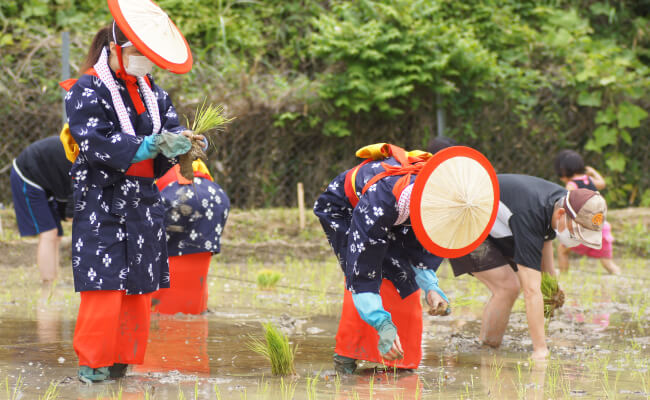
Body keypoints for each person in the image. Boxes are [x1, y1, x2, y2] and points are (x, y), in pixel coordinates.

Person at [63, 0, 202, 383]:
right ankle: (92, 364)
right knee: (104, 287)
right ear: (113, 47)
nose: (142, 60)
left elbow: (168, 135)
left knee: (138, 287)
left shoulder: (155, 93)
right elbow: (96, 144)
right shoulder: (86, 89)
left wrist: (181, 146)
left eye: (148, 55)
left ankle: (122, 361)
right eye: (135, 52)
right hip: (101, 202)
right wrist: (151, 145)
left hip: (142, 202)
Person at [313, 143, 454, 374]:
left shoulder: (436, 197)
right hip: (347, 210)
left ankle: (401, 361)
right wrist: (383, 323)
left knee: (404, 278)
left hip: (397, 211)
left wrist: (431, 287)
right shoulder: (382, 200)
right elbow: (363, 272)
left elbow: (420, 248)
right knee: (366, 272)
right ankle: (348, 355)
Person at [448, 175, 607, 360]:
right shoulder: (532, 214)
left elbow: (545, 241)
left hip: (496, 225)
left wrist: (551, 287)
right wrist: (540, 349)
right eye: (577, 231)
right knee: (508, 287)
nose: (577, 239)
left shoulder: (564, 202)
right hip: (463, 220)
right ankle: (487, 350)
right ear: (562, 215)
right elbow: (531, 290)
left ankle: (489, 347)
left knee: (520, 284)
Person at [151, 160, 230, 315]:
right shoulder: (190, 147)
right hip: (214, 197)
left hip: (176, 195)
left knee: (161, 258)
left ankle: (161, 312)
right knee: (196, 261)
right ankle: (194, 310)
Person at [10, 136, 73, 293]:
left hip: (46, 177)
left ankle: (53, 282)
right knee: (48, 233)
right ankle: (47, 285)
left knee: (56, 235)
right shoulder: (86, 164)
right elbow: (73, 214)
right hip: (28, 174)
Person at [554, 150, 620, 275]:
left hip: (582, 229)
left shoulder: (571, 185)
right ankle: (617, 275)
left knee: (562, 250)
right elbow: (602, 183)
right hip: (601, 228)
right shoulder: (589, 179)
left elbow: (567, 204)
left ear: (562, 172)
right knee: (607, 262)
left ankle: (564, 276)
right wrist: (593, 172)